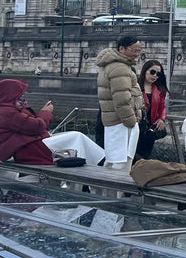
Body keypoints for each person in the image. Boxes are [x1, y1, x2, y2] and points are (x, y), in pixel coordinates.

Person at [0, 79, 104, 165]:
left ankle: (96, 160)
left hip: (29, 146)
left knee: (76, 137)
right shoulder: (8, 112)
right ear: (11, 95)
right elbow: (37, 127)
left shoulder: (8, 110)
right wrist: (46, 112)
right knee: (76, 136)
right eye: (20, 96)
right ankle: (100, 161)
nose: (23, 99)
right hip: (31, 148)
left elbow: (29, 127)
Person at [95, 35, 145, 170]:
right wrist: (131, 121)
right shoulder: (120, 68)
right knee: (122, 162)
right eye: (134, 50)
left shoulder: (109, 65)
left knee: (113, 159)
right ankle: (117, 190)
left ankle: (104, 189)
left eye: (139, 51)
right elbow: (122, 100)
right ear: (122, 48)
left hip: (113, 120)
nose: (137, 54)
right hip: (122, 122)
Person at [135, 59, 169, 160]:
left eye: (158, 74)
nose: (155, 76)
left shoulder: (159, 90)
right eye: (152, 72)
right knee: (133, 156)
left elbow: (162, 107)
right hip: (136, 127)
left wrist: (162, 119)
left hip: (150, 129)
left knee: (145, 157)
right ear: (145, 71)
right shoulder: (136, 87)